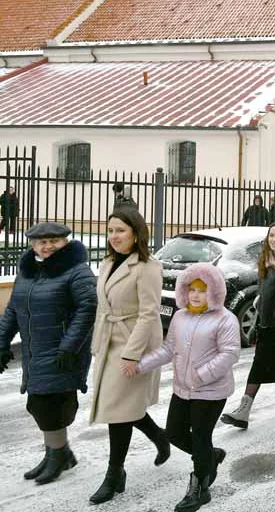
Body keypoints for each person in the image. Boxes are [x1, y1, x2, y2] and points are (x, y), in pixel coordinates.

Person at [136, 263, 240, 512]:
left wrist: (201, 375)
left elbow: (230, 354)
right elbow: (168, 348)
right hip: (183, 389)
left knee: (201, 436)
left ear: (214, 291)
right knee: (174, 432)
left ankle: (200, 487)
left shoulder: (225, 319)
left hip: (211, 391)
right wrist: (141, 365)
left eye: (202, 290)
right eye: (191, 289)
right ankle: (210, 457)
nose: (195, 295)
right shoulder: (180, 316)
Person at [0, 222, 96, 484]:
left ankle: (57, 455)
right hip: (35, 351)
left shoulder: (78, 271)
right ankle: (59, 453)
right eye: (42, 242)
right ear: (33, 245)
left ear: (66, 241)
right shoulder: (27, 272)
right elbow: (12, 311)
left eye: (54, 240)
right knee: (39, 404)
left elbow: (87, 309)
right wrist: (1, 342)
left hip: (62, 351)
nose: (48, 245)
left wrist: (69, 346)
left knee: (50, 404)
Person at [88, 208, 171, 505]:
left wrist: (132, 355)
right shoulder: (108, 261)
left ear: (136, 233)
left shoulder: (147, 266)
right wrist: (97, 342)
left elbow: (150, 314)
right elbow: (103, 307)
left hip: (133, 341)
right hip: (110, 340)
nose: (114, 237)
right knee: (120, 406)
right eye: (110, 230)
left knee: (118, 410)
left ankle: (114, 473)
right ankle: (159, 437)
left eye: (120, 230)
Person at [221, 221, 275, 429]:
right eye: (272, 236)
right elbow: (263, 287)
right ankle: (244, 410)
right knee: (260, 363)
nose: (274, 240)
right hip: (267, 321)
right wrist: (260, 301)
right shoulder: (265, 259)